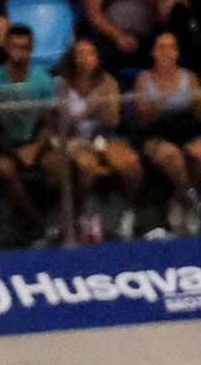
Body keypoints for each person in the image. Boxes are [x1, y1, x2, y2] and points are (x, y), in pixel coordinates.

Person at [51, 38, 144, 240]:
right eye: (80, 54)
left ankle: (129, 213)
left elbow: (113, 120)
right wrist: (91, 106)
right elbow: (60, 123)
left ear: (97, 58)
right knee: (87, 166)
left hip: (102, 136)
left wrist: (100, 104)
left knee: (130, 164)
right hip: (72, 139)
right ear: (73, 58)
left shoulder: (108, 82)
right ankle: (76, 217)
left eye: (90, 53)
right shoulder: (61, 84)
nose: (85, 59)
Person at [0, 24, 59, 235]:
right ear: (6, 48)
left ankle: (60, 220)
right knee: (5, 170)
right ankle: (37, 225)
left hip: (34, 142)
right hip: (1, 145)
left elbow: (49, 121)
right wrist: (15, 151)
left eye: (25, 47)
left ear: (31, 49)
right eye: (15, 47)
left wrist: (35, 147)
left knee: (59, 165)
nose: (19, 52)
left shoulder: (44, 80)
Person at [131, 28, 201, 234]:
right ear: (153, 52)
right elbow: (141, 117)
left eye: (171, 48)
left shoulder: (190, 77)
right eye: (161, 48)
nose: (167, 53)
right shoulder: (143, 80)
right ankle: (190, 204)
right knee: (172, 156)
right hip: (157, 132)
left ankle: (180, 198)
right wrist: (158, 106)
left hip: (186, 129)